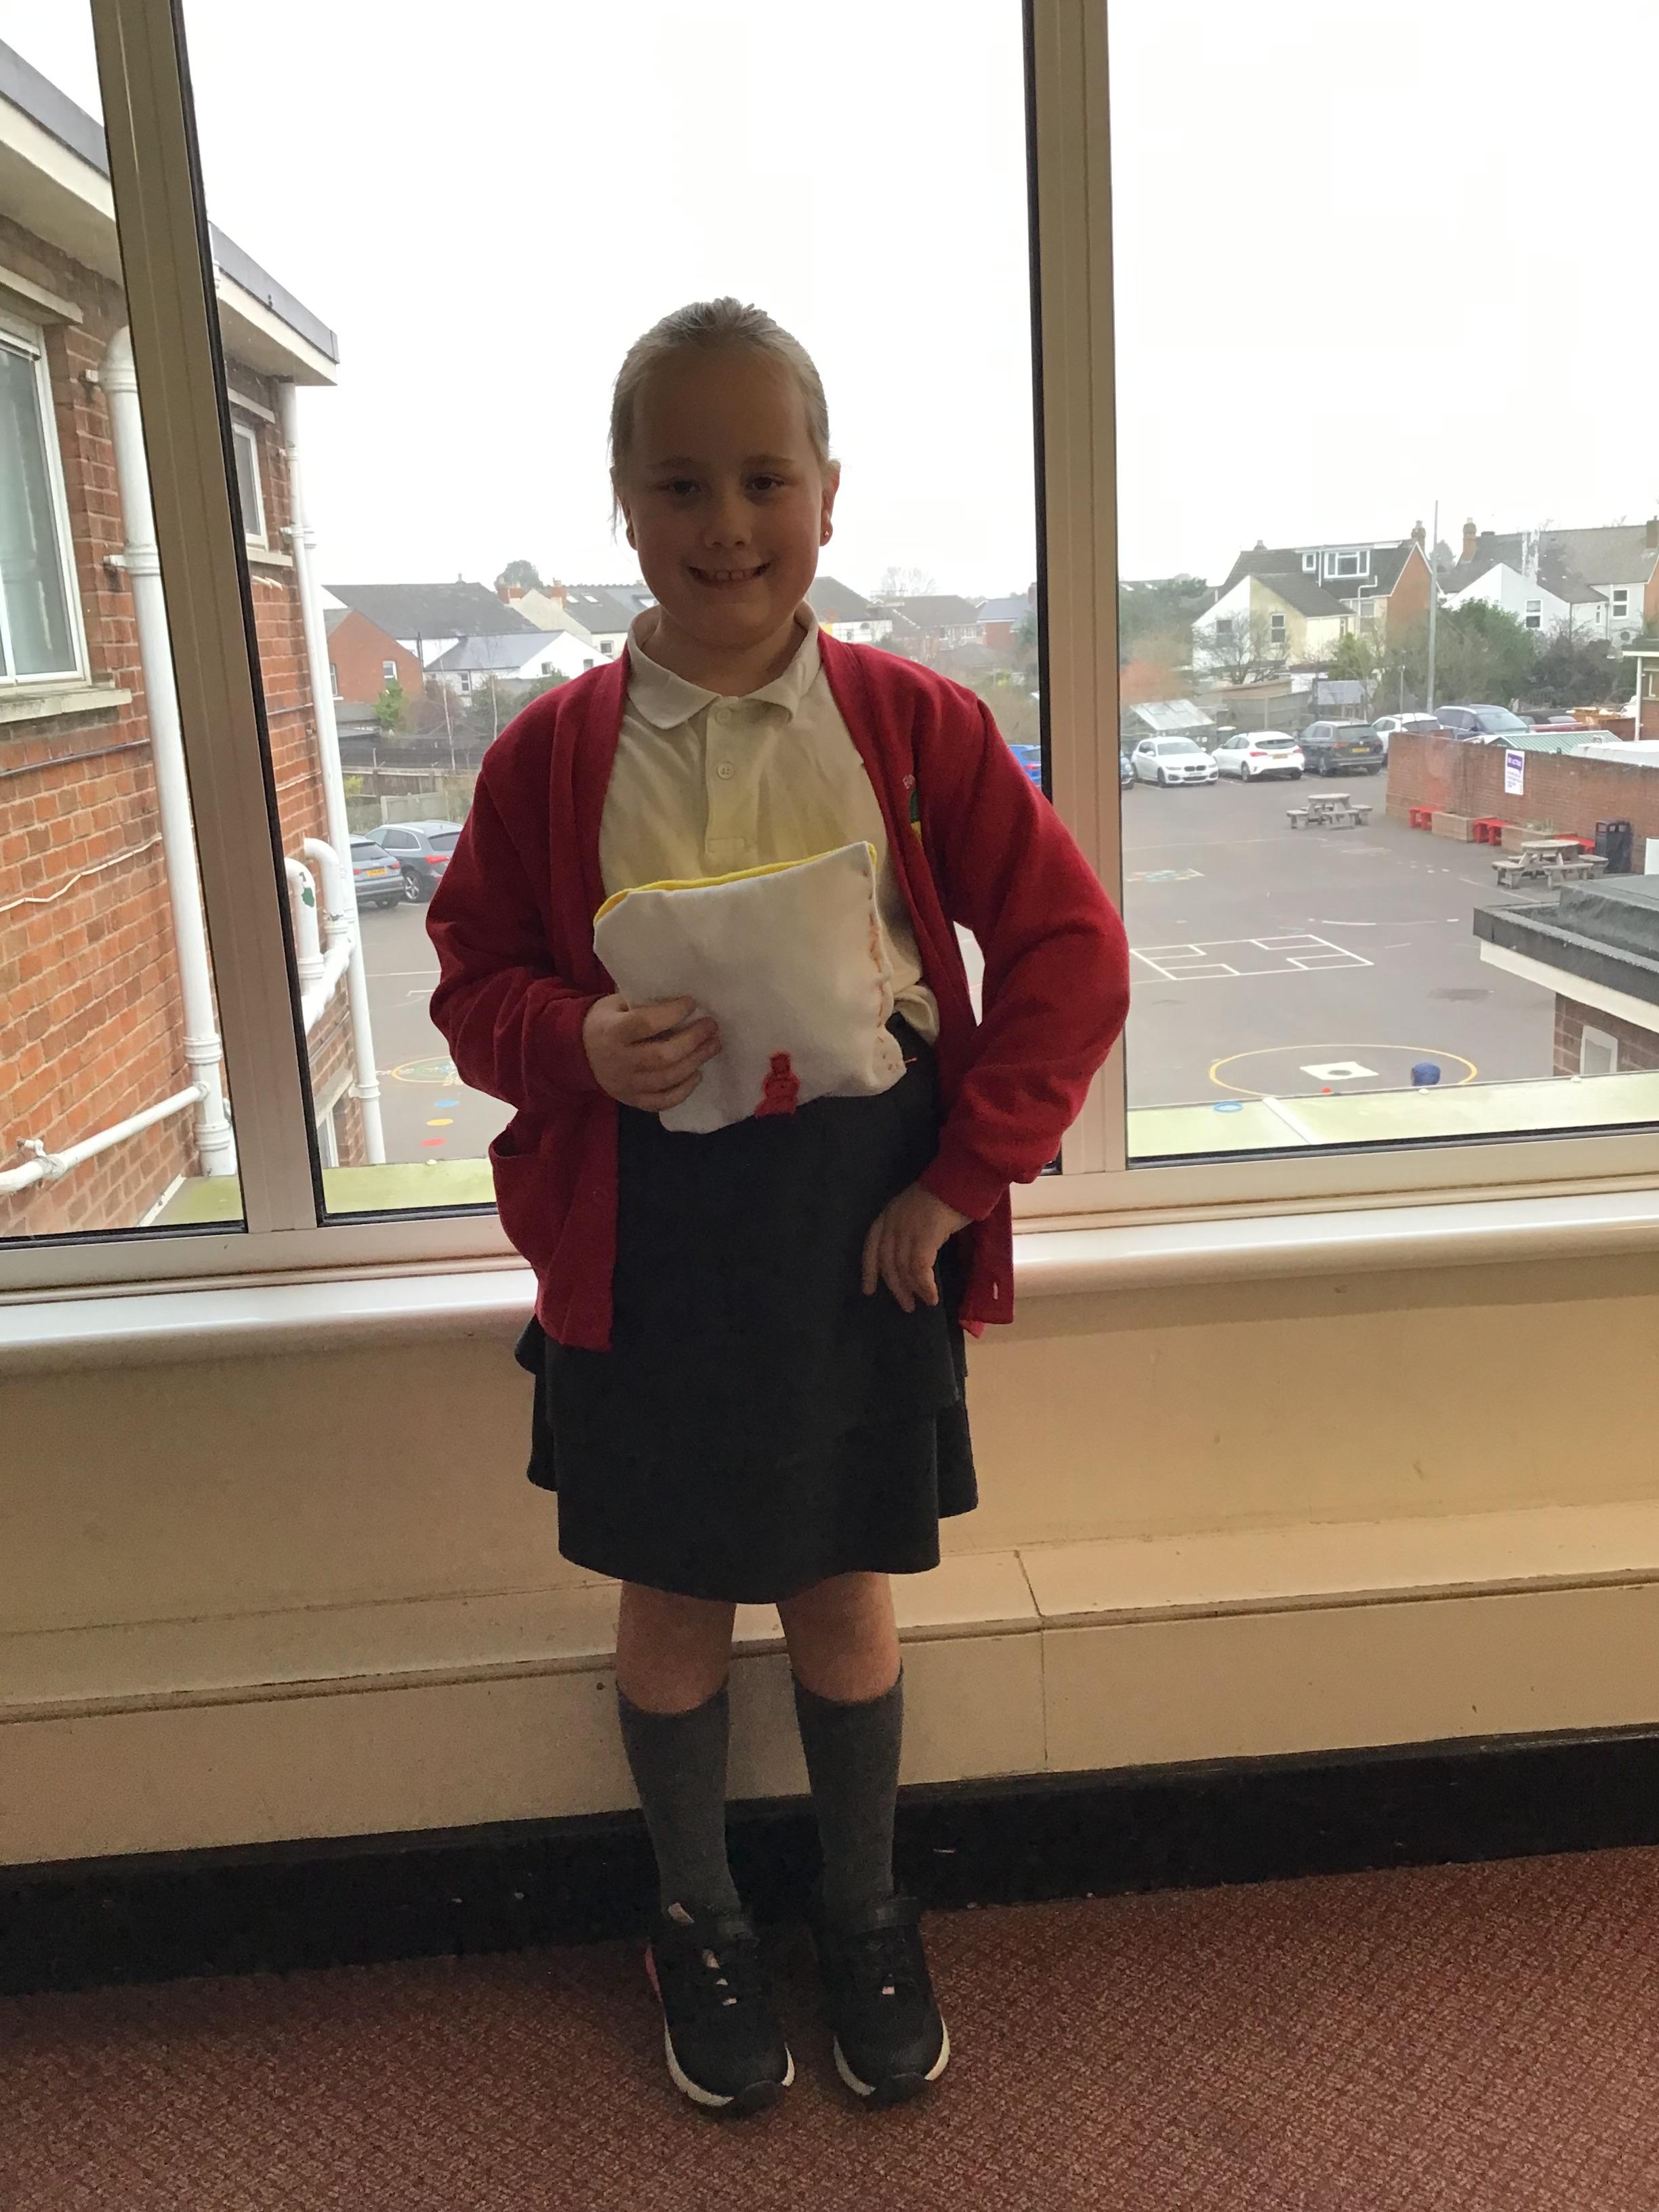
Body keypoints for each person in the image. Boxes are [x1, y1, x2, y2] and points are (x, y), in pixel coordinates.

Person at [428, 298, 1129, 2117]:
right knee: (671, 1594)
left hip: (856, 1225)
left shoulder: (913, 723)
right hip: (647, 1238)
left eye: (763, 480)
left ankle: (865, 1908)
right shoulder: (550, 757)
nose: (725, 523)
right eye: (681, 484)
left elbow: (1071, 953)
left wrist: (962, 1180)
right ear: (622, 500)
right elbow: (472, 987)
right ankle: (695, 1915)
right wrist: (575, 1040)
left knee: (840, 1583)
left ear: (828, 494)